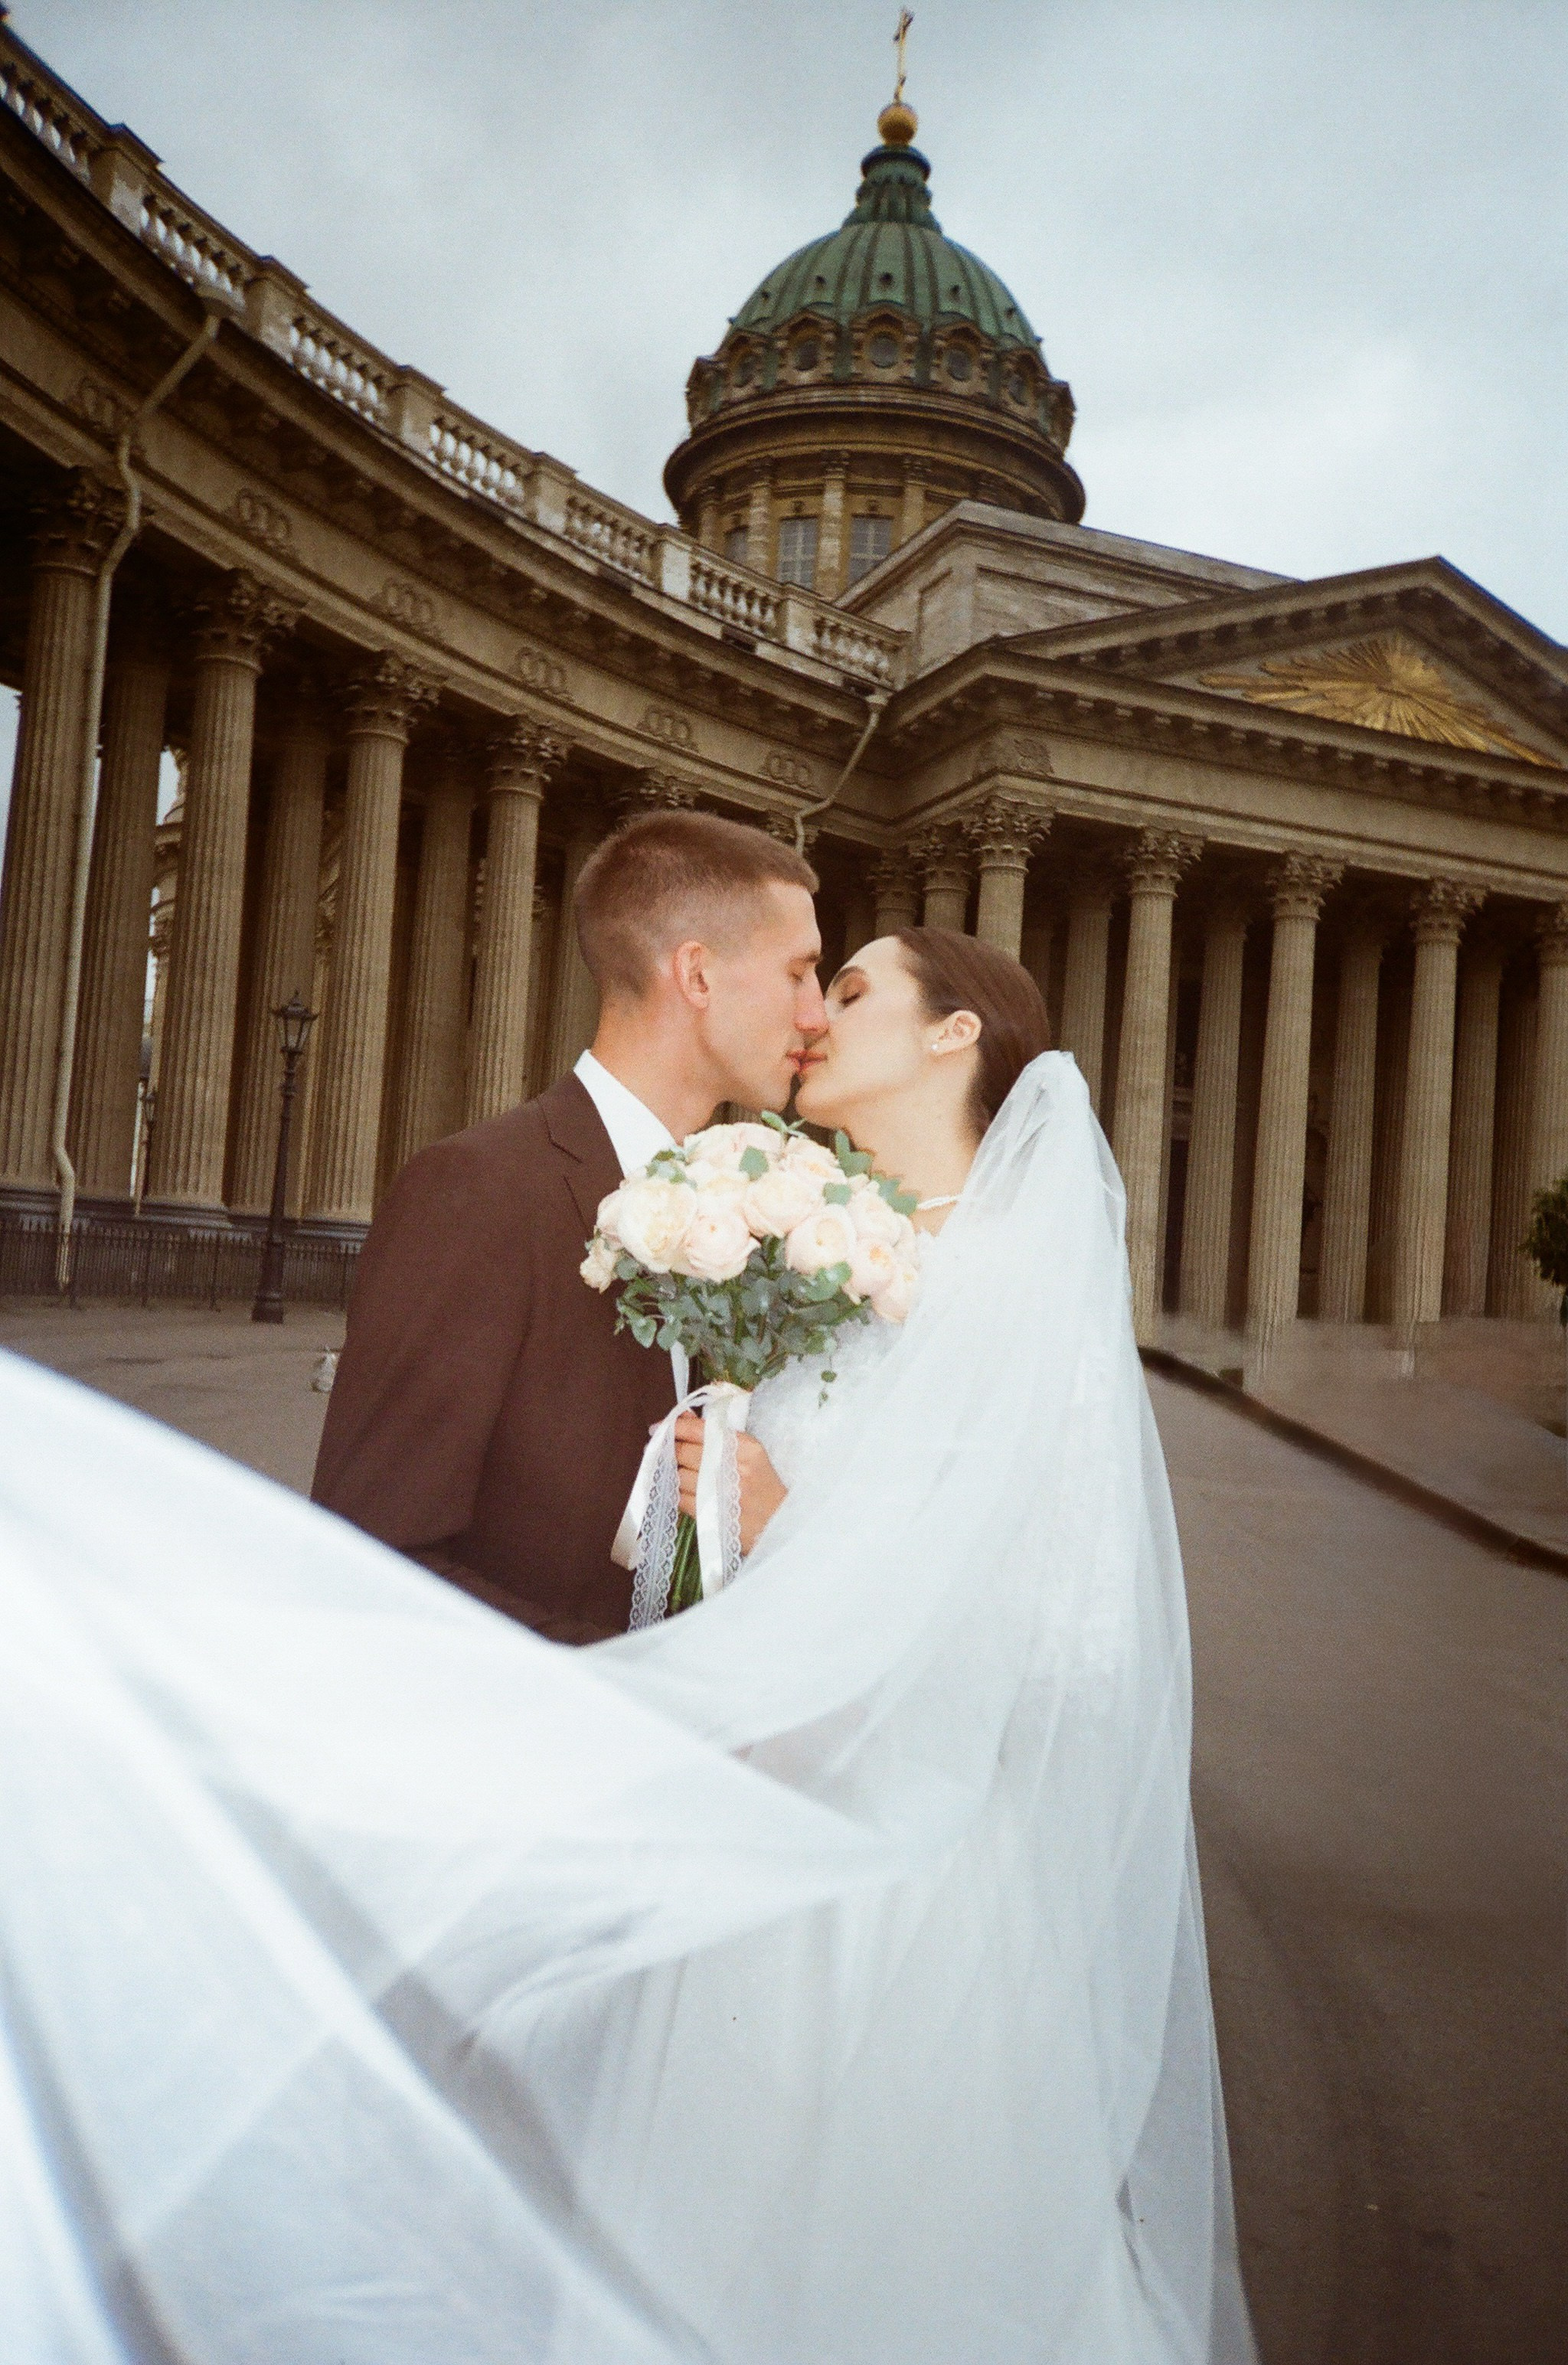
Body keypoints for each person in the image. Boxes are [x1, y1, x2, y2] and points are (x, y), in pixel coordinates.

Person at [0, 926, 1258, 2364]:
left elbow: (1070, 1644)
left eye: (851, 990)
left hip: (899, 1889)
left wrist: (792, 1532)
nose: (815, 1015)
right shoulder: (817, 1236)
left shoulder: (1020, 1284)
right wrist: (691, 1507)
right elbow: (712, 1527)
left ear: (953, 1033)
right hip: (739, 1843)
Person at [311, 807, 824, 1641]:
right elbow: (370, 1561)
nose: (816, 1015)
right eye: (798, 972)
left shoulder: (742, 1217)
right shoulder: (479, 1193)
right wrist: (630, 1693)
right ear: (697, 975)